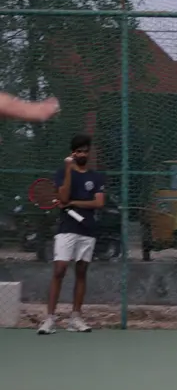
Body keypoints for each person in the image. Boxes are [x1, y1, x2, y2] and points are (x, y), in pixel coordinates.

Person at [37, 134, 106, 335]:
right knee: (59, 270)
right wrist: (68, 170)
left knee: (82, 272)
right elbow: (63, 196)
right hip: (67, 227)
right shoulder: (62, 173)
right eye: (79, 151)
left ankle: (75, 318)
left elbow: (98, 203)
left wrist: (74, 203)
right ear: (72, 153)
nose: (83, 154)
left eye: (86, 151)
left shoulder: (96, 177)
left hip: (88, 228)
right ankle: (50, 319)